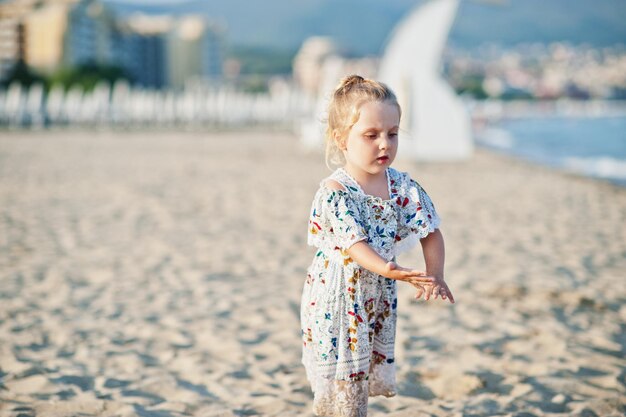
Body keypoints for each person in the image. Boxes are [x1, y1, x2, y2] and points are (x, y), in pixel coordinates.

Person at [300, 74, 455, 417]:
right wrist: (388, 267)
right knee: (346, 386)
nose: (384, 144)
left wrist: (436, 273)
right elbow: (354, 243)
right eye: (371, 136)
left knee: (362, 379)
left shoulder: (401, 186)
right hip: (339, 298)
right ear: (341, 139)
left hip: (377, 297)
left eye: (392, 134)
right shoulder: (336, 192)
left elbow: (430, 231)